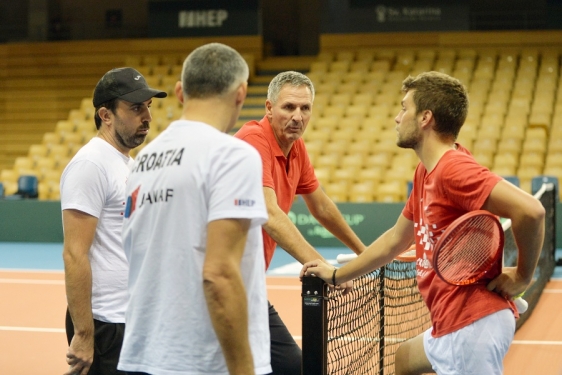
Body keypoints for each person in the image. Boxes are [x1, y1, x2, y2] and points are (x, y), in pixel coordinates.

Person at [300, 71, 545, 375]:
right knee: (404, 360)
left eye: (404, 108)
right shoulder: (426, 172)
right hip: (450, 321)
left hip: (470, 327)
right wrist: (337, 275)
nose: (397, 117)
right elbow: (395, 240)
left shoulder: (453, 170)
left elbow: (532, 211)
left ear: (425, 117)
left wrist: (522, 276)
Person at [117, 43, 272, 375]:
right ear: (241, 93)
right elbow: (219, 274)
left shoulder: (144, 160)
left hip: (143, 353)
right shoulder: (233, 155)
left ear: (179, 93)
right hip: (202, 361)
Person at [234, 70, 367, 374]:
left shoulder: (296, 148)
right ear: (269, 108)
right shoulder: (253, 140)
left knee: (292, 367)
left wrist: (365, 253)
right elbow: (269, 214)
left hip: (247, 286)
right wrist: (326, 268)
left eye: (305, 108)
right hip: (219, 284)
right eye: (288, 107)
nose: (297, 116)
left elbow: (321, 207)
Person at [61, 67, 167, 375]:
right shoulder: (90, 164)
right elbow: (74, 253)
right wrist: (83, 334)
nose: (147, 116)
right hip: (106, 325)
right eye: (136, 108)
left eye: (148, 106)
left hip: (134, 319)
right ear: (105, 115)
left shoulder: (129, 165)